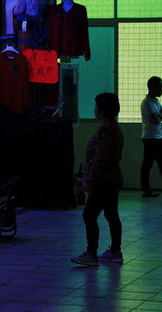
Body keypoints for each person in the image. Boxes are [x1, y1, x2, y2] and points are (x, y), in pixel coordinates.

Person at [71, 93, 124, 266]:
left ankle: (91, 254)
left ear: (102, 110)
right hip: (111, 180)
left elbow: (99, 160)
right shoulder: (111, 128)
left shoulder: (107, 131)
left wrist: (88, 180)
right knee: (111, 214)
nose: (94, 109)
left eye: (96, 106)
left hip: (103, 181)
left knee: (89, 215)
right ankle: (115, 251)